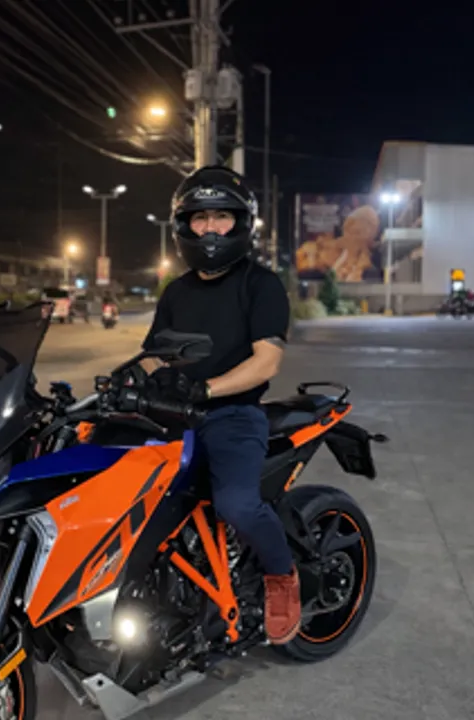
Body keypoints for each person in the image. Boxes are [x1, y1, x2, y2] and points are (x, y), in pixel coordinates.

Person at [141, 165, 301, 645]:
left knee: (237, 504)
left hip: (232, 415)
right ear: (184, 226)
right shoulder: (177, 291)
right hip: (173, 415)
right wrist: (136, 380)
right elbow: (153, 355)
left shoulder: (260, 284)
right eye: (200, 218)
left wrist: (206, 390)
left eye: (221, 217)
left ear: (241, 223)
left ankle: (281, 576)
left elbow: (266, 362)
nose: (210, 228)